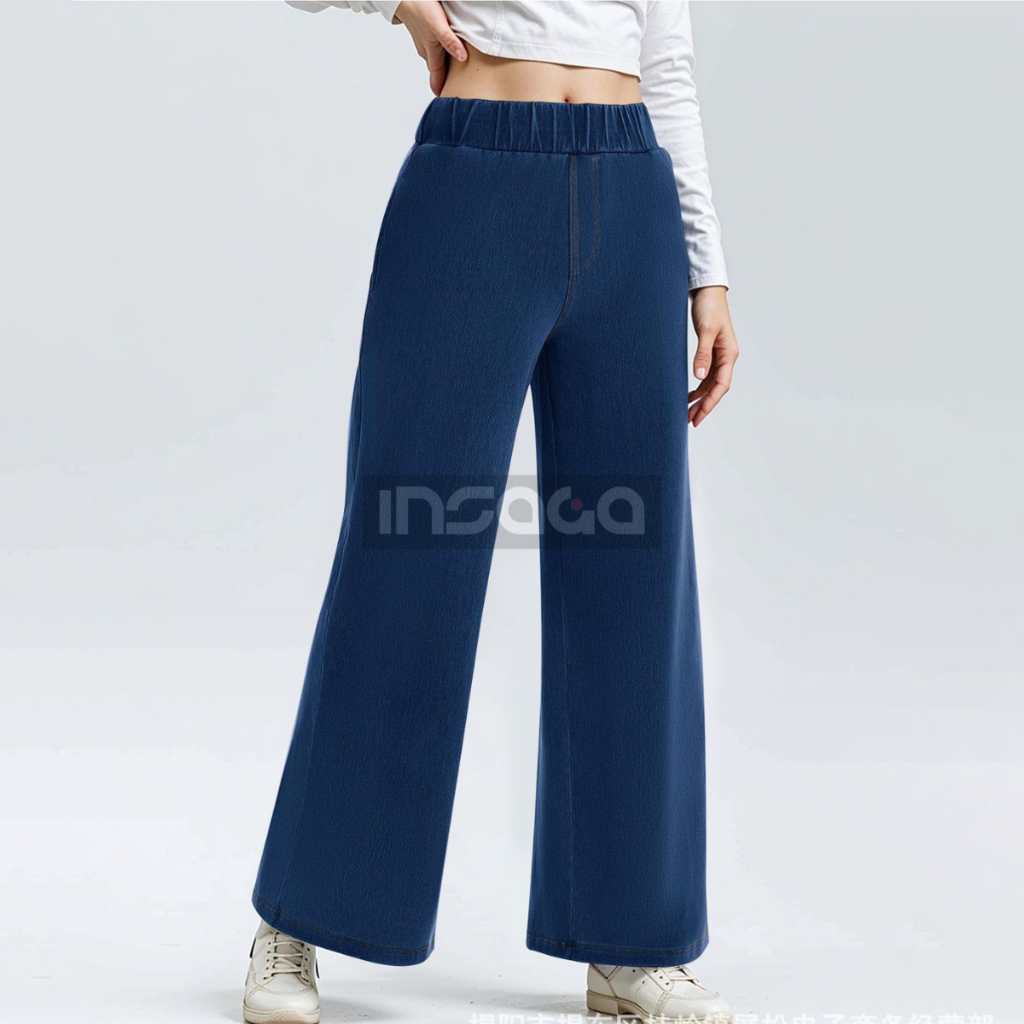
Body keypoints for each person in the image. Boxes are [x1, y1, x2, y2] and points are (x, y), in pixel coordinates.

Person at [243, 2, 740, 1022]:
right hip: (474, 182)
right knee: (408, 549)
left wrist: (708, 270)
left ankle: (630, 940)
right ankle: (299, 915)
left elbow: (668, 69)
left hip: (632, 192)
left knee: (635, 572)